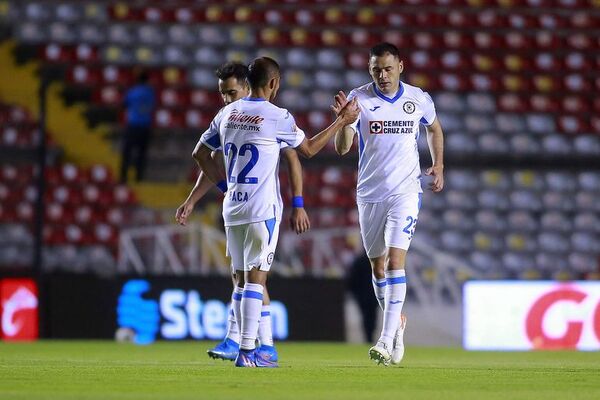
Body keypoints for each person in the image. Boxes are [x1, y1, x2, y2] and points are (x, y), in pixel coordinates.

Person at [194, 57, 359, 367]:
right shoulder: (277, 116)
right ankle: (247, 352)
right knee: (256, 281)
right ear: (273, 84)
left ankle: (252, 347)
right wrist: (341, 121)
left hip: (233, 209)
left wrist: (224, 186)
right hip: (262, 209)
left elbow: (200, 154)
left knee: (242, 282)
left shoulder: (227, 113)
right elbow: (307, 150)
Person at [175, 61, 310, 363]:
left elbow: (293, 158)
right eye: (223, 94)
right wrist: (195, 199)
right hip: (248, 205)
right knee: (248, 279)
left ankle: (243, 342)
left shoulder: (250, 117)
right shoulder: (237, 116)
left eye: (231, 92)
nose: (226, 99)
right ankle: (254, 346)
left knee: (250, 279)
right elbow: (212, 161)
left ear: (248, 86)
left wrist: (298, 202)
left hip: (247, 206)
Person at [332, 42, 445, 366]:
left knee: (396, 262)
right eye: (376, 70)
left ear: (400, 67)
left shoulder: (417, 98)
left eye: (387, 68)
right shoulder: (359, 99)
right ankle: (397, 324)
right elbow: (342, 149)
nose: (382, 75)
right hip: (369, 194)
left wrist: (439, 164)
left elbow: (435, 129)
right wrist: (342, 122)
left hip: (406, 192)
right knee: (378, 267)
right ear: (370, 71)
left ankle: (384, 338)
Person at [120, 69, 155, 183]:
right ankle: (138, 177)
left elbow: (124, 104)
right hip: (145, 126)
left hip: (133, 125)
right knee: (141, 153)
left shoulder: (132, 91)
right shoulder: (150, 93)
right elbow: (152, 106)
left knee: (127, 152)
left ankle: (123, 176)